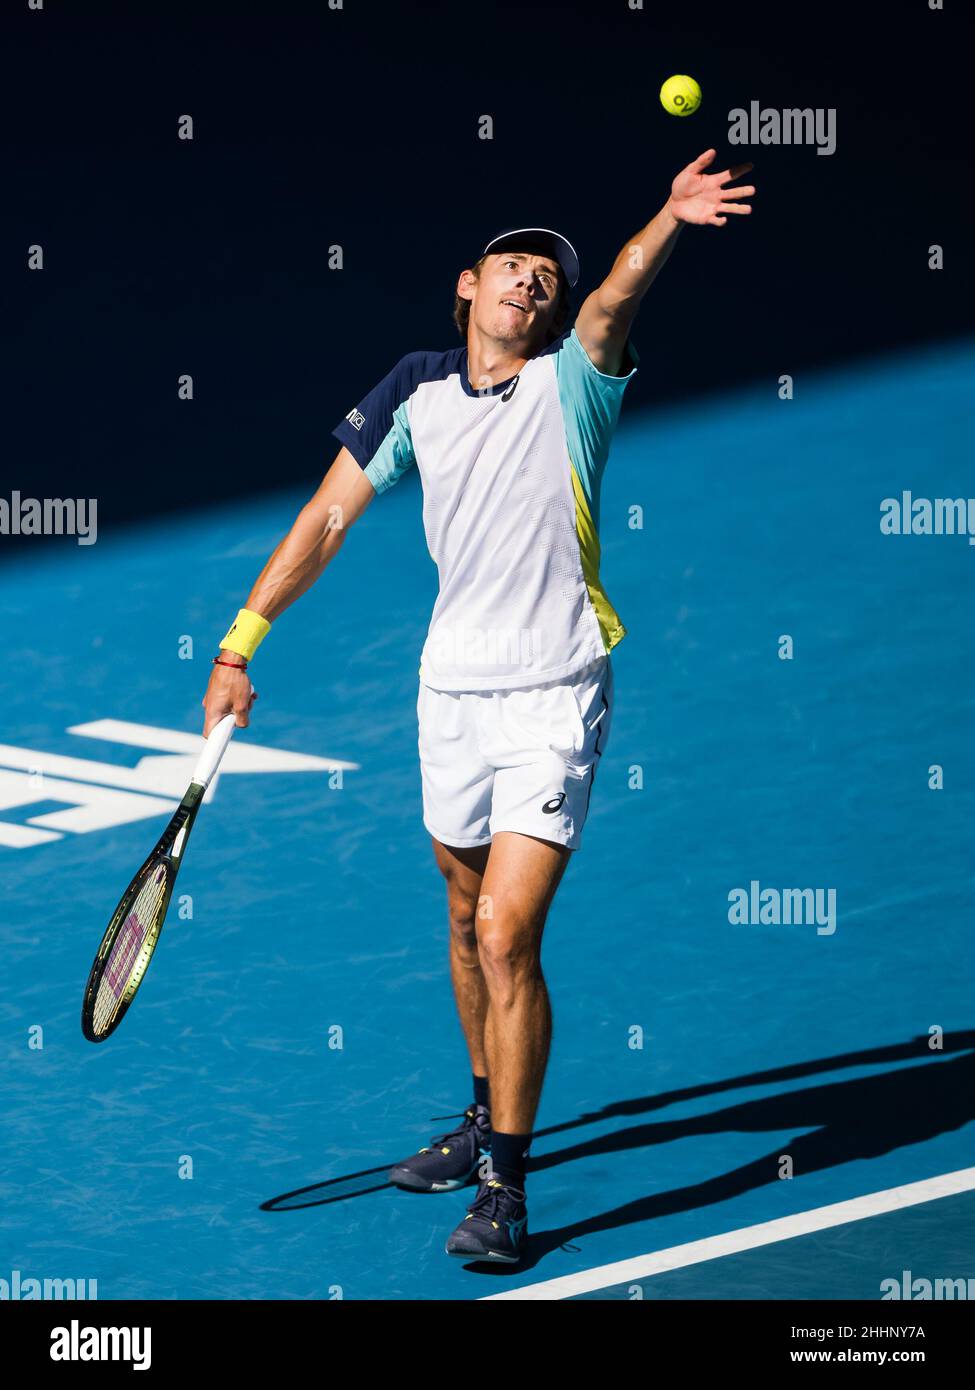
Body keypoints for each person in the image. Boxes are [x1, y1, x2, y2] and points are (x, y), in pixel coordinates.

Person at [202, 149, 755, 1264]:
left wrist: (670, 217)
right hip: (450, 692)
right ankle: (480, 1108)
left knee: (507, 931)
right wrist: (239, 643)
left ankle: (506, 1185)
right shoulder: (414, 390)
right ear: (468, 284)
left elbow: (616, 296)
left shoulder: (576, 384)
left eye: (546, 276)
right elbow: (324, 521)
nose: (532, 284)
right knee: (462, 918)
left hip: (555, 689)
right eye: (512, 266)